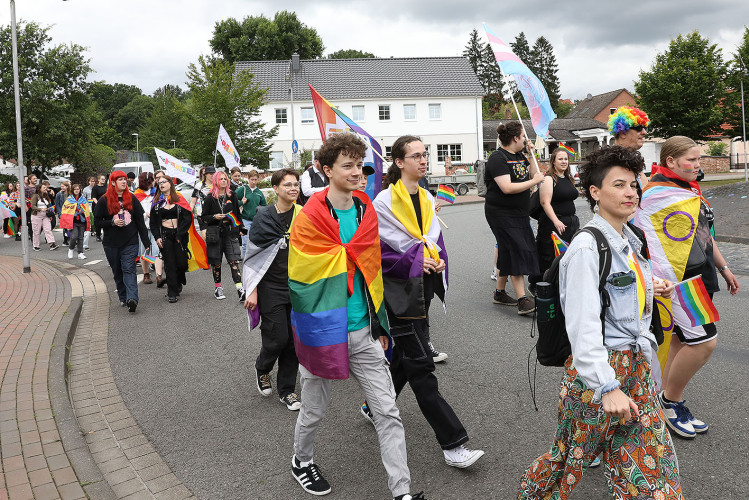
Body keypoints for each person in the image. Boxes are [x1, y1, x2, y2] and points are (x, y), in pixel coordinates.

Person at [518, 146, 683, 499]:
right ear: (594, 192)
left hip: (637, 367)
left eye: (634, 185)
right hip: (597, 376)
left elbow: (618, 290)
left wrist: (652, 287)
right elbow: (583, 325)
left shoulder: (629, 238)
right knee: (564, 466)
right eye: (619, 184)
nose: (631, 192)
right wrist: (607, 387)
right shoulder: (586, 248)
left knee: (651, 469)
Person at [289, 133, 420, 500]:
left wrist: (379, 324)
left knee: (388, 412)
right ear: (325, 169)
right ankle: (302, 460)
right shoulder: (310, 216)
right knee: (314, 410)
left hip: (363, 330)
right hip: (323, 331)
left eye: (358, 166)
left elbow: (372, 267)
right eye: (346, 166)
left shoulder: (366, 210)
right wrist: (340, 260)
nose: (355, 173)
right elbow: (299, 279)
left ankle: (402, 492)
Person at [370, 134, 483, 468]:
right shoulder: (383, 203)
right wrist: (415, 261)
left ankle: (372, 406)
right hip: (397, 294)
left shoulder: (427, 196)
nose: (423, 160)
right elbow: (376, 255)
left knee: (407, 357)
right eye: (416, 155)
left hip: (424, 286)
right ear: (399, 162)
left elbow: (432, 240)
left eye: (425, 154)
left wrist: (438, 260)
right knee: (421, 366)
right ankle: (453, 445)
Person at [635, 136, 740, 439]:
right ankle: (671, 401)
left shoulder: (687, 188)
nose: (698, 165)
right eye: (691, 160)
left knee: (682, 342)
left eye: (699, 159)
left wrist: (724, 267)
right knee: (705, 342)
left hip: (701, 273)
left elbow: (705, 234)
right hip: (677, 281)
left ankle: (661, 401)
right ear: (670, 162)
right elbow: (650, 242)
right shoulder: (656, 192)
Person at [242, 168, 302, 410]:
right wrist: (252, 290)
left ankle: (286, 390)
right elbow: (252, 256)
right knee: (277, 337)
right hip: (270, 287)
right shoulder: (263, 217)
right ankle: (262, 367)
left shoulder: (303, 215)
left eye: (296, 184)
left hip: (298, 287)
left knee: (294, 341)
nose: (293, 188)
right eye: (287, 185)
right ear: (275, 189)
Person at [484, 121, 544, 315]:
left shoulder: (519, 155)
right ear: (515, 138)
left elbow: (535, 174)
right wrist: (533, 182)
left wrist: (531, 154)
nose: (526, 139)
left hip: (519, 212)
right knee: (516, 249)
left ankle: (499, 293)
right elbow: (507, 187)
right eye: (524, 136)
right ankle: (522, 300)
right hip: (500, 213)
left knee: (507, 249)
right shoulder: (497, 158)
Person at [94, 170, 150, 313]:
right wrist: (112, 222)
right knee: (117, 271)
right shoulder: (104, 200)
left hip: (130, 241)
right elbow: (97, 222)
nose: (124, 182)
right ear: (113, 182)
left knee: (129, 268)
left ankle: (132, 299)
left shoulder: (132, 198)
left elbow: (140, 221)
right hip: (111, 243)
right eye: (120, 180)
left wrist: (146, 241)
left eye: (125, 179)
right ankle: (123, 296)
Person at [200, 170, 246, 301]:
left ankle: (240, 289)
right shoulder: (209, 197)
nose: (224, 181)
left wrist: (241, 227)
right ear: (215, 181)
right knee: (216, 262)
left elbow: (237, 213)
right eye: (221, 179)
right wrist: (214, 216)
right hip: (215, 233)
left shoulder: (232, 195)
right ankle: (218, 288)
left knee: (234, 261)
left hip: (230, 231)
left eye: (225, 179)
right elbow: (204, 217)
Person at [536, 147, 580, 277]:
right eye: (560, 159)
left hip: (570, 222)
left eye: (566, 159)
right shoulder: (549, 179)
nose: (564, 161)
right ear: (553, 161)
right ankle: (542, 284)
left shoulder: (567, 178)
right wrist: (556, 221)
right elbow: (545, 202)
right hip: (554, 224)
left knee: (567, 255)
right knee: (550, 256)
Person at [150, 175, 193, 303]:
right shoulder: (157, 202)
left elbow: (187, 218)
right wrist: (157, 237)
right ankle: (172, 292)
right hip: (165, 235)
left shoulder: (179, 199)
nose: (161, 184)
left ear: (170, 184)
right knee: (170, 264)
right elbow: (153, 223)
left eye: (164, 182)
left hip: (179, 235)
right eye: (159, 182)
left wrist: (180, 234)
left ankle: (179, 280)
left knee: (181, 263)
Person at [608, 106, 651, 188]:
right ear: (623, 133)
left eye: (645, 128)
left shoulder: (631, 160)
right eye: (639, 128)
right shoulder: (611, 163)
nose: (644, 132)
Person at [134, 172, 160, 284]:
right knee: (144, 250)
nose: (155, 181)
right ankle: (146, 274)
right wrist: (145, 214)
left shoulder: (157, 192)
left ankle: (159, 275)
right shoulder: (136, 195)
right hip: (143, 226)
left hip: (155, 225)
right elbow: (135, 212)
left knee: (158, 250)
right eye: (153, 179)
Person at [235, 169, 267, 255]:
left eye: (255, 179)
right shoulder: (243, 189)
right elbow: (232, 201)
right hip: (245, 220)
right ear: (248, 178)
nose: (254, 181)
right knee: (245, 242)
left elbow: (264, 206)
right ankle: (246, 261)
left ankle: (253, 260)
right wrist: (241, 202)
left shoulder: (259, 192)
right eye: (252, 179)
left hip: (256, 221)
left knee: (256, 242)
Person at [60, 184, 90, 260]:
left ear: (80, 190)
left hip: (82, 220)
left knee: (81, 237)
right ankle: (71, 249)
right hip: (72, 221)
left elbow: (86, 209)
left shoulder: (83, 198)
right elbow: (65, 209)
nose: (76, 190)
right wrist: (74, 211)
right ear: (72, 190)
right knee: (73, 237)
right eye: (75, 189)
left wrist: (82, 211)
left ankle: (80, 252)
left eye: (78, 189)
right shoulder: (69, 199)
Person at [30, 181, 59, 251]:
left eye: (45, 187)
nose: (45, 188)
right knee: (37, 231)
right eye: (43, 187)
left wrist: (50, 214)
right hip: (37, 215)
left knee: (47, 229)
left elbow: (49, 204)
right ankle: (36, 245)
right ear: (39, 189)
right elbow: (32, 206)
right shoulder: (35, 196)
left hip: (45, 215)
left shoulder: (46, 195)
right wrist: (40, 209)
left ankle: (52, 244)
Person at [190, 166, 214, 238]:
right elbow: (193, 201)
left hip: (214, 213)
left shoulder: (217, 185)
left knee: (214, 238)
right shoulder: (199, 186)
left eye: (214, 173)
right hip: (202, 214)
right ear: (205, 174)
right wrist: (189, 212)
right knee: (205, 237)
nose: (212, 175)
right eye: (210, 173)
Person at [91, 174, 108, 241]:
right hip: (97, 205)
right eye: (102, 179)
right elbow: (94, 197)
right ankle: (98, 235)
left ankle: (106, 234)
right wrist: (99, 204)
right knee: (98, 220)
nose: (103, 180)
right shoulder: (95, 187)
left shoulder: (106, 187)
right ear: (98, 180)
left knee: (106, 220)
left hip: (106, 205)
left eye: (104, 179)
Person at [82, 176, 96, 249]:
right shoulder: (86, 189)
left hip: (95, 205)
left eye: (93, 181)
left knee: (95, 217)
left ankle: (94, 230)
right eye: (91, 181)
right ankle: (92, 229)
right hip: (89, 206)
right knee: (91, 218)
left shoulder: (96, 188)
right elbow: (84, 198)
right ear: (89, 182)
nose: (92, 182)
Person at [55, 181, 71, 245]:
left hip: (70, 212)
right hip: (63, 212)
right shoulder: (59, 194)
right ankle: (65, 239)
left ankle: (69, 237)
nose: (62, 188)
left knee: (70, 226)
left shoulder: (70, 194)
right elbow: (57, 204)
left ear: (67, 187)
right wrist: (59, 213)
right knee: (65, 227)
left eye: (63, 186)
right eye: (61, 186)